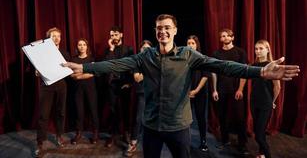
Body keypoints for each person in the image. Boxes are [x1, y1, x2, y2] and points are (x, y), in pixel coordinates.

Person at [63, 14, 299, 158]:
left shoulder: (188, 54)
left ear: (175, 30)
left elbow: (223, 66)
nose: (162, 30)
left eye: (167, 27)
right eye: (158, 28)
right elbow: (115, 64)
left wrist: (260, 71)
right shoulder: (145, 57)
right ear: (155, 32)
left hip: (179, 127)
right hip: (152, 127)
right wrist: (85, 68)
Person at [211, 28, 249, 154]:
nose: (225, 38)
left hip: (236, 90)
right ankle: (225, 140)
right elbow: (214, 73)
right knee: (222, 116)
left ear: (232, 37)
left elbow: (245, 72)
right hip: (221, 89)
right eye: (223, 36)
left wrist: (240, 89)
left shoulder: (240, 52)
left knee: (240, 117)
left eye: (228, 36)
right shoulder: (216, 54)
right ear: (220, 39)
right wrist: (215, 90)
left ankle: (242, 144)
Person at [36, 27, 70, 156]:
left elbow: (68, 69)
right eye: (53, 36)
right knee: (43, 115)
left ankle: (59, 136)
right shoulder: (41, 54)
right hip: (46, 86)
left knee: (60, 112)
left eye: (58, 36)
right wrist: (37, 72)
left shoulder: (65, 53)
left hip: (61, 85)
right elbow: (36, 70)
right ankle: (40, 143)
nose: (56, 38)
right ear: (48, 39)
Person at [104, 26, 134, 147]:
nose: (114, 37)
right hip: (112, 85)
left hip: (124, 84)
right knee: (113, 110)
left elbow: (132, 66)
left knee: (126, 110)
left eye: (116, 35)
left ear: (121, 35)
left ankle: (126, 133)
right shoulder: (108, 50)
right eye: (112, 35)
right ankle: (113, 135)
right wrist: (111, 49)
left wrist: (130, 83)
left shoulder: (129, 49)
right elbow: (107, 65)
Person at [251, 40, 280, 158]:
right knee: (260, 132)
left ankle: (267, 155)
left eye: (261, 48)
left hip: (265, 104)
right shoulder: (253, 66)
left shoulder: (272, 66)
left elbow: (277, 87)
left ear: (268, 50)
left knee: (258, 135)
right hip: (253, 102)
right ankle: (261, 154)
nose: (258, 51)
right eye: (256, 49)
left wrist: (272, 102)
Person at [125, 40, 153, 157]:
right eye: (143, 48)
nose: (145, 50)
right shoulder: (138, 63)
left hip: (154, 94)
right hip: (142, 93)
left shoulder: (155, 61)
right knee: (138, 118)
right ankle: (133, 142)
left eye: (148, 48)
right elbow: (137, 78)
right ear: (140, 50)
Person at [70, 39, 99, 145]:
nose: (81, 46)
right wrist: (84, 72)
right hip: (78, 90)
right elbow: (72, 75)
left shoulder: (91, 59)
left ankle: (95, 133)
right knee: (79, 111)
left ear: (87, 47)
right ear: (77, 47)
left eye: (84, 45)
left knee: (93, 110)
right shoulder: (73, 59)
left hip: (90, 89)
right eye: (79, 45)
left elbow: (93, 73)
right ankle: (79, 133)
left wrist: (79, 75)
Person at [186, 35, 210, 152]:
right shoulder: (184, 58)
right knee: (186, 119)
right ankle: (185, 141)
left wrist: (196, 90)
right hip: (186, 94)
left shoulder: (203, 58)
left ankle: (203, 141)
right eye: (188, 43)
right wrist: (187, 92)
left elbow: (205, 76)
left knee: (201, 117)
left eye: (192, 43)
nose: (190, 45)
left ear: (197, 45)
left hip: (200, 92)